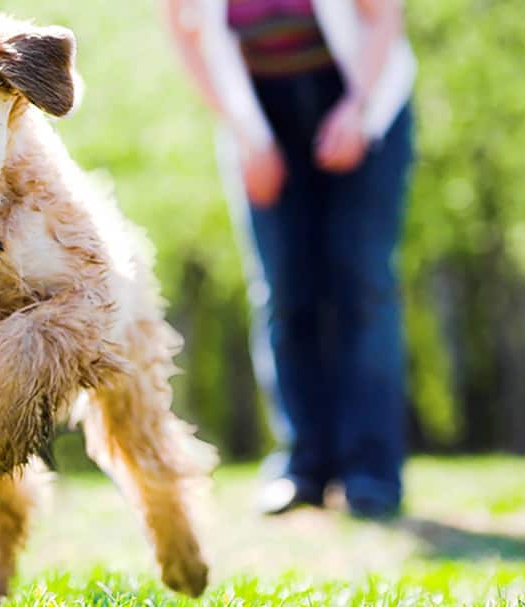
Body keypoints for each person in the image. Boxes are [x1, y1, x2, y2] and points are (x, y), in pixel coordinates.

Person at [164, 0, 416, 518]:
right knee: (283, 290)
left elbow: (383, 16)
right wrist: (244, 134)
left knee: (361, 284)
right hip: (259, 112)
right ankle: (302, 467)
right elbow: (185, 38)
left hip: (359, 93)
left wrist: (357, 108)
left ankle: (371, 472)